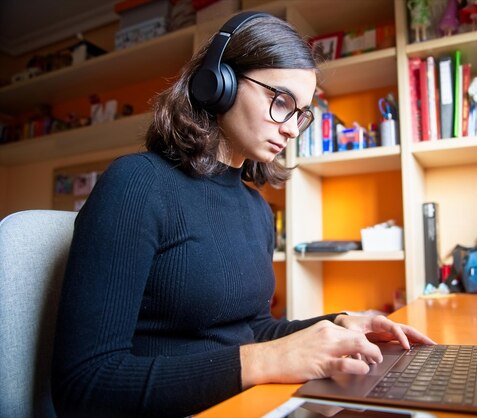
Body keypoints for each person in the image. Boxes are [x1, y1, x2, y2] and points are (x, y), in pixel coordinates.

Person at [51, 12, 434, 418]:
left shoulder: (256, 210)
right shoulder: (137, 184)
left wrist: (339, 324)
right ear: (218, 83)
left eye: (301, 113)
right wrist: (263, 362)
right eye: (281, 101)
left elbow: (251, 329)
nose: (291, 129)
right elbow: (84, 384)